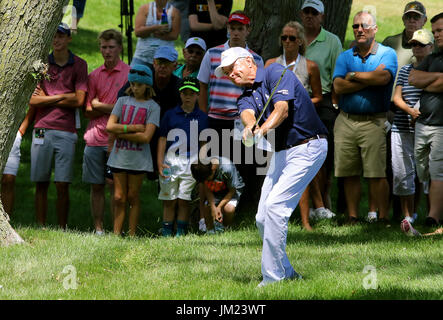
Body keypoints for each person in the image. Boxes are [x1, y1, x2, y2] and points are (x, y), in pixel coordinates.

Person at [216, 47, 328, 286]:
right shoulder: (244, 95)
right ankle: (285, 272)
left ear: (248, 61)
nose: (231, 76)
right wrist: (249, 127)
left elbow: (282, 110)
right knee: (262, 217)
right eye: (226, 73)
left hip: (308, 146)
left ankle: (272, 278)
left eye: (232, 69)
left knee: (276, 208)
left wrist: (261, 130)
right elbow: (247, 113)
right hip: (283, 153)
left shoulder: (274, 72)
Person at [332, 11, 398, 225]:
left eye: (364, 26)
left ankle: (383, 217)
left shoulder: (387, 54)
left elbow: (384, 77)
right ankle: (352, 216)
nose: (359, 30)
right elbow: (338, 86)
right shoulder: (345, 56)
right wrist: (368, 79)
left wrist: (353, 75)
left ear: (375, 29)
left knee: (376, 173)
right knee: (349, 172)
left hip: (374, 120)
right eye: (356, 26)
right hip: (346, 120)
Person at [197, 11, 263, 213]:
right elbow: (203, 86)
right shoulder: (212, 54)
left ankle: (239, 208)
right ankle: (208, 210)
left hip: (241, 120)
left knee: (244, 164)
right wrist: (203, 115)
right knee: (212, 166)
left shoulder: (256, 59)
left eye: (240, 29)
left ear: (247, 31)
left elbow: (257, 89)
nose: (235, 33)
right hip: (215, 118)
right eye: (232, 28)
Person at [264, 20, 327, 231]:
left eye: (292, 38)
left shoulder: (310, 66)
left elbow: (318, 96)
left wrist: (300, 103)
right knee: (276, 174)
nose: (287, 42)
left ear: (300, 41)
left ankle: (305, 221)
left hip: (301, 125)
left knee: (301, 175)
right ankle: (275, 217)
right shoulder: (271, 64)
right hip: (278, 125)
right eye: (284, 37)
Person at [29, 23, 88, 229]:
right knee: (41, 181)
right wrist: (66, 96)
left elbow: (79, 100)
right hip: (42, 128)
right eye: (53, 35)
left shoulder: (79, 64)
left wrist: (50, 97)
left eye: (61, 36)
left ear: (69, 38)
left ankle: (62, 228)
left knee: (63, 184)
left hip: (66, 130)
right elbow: (33, 101)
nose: (57, 40)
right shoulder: (41, 63)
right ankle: (41, 226)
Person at [382, 1, 427, 223]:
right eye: (408, 17)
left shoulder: (431, 48)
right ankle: (396, 213)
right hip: (394, 112)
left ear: (423, 21)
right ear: (403, 19)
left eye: (416, 17)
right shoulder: (391, 42)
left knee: (420, 168)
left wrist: (418, 111)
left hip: (424, 116)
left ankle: (416, 212)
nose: (412, 20)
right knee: (394, 166)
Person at [83, 29, 130, 235]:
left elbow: (128, 110)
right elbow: (87, 110)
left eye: (111, 47)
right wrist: (112, 107)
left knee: (116, 187)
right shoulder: (94, 76)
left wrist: (100, 105)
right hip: (94, 137)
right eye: (104, 47)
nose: (107, 51)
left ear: (119, 48)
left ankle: (116, 229)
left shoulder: (129, 73)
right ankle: (99, 228)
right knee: (96, 186)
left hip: (119, 139)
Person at [300, 0, 343, 217]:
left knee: (324, 154)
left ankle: (324, 202)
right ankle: (313, 205)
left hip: (324, 101)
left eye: (314, 13)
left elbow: (338, 75)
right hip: (298, 101)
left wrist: (334, 103)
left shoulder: (332, 41)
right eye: (306, 12)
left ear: (322, 17)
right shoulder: (294, 37)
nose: (309, 16)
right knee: (301, 152)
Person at [106, 64, 160, 236]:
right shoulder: (122, 101)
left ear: (147, 86)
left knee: (132, 196)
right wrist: (131, 128)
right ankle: (116, 233)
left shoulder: (153, 107)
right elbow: (110, 126)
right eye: (133, 84)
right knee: (118, 197)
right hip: (119, 156)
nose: (135, 88)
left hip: (139, 159)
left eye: (139, 85)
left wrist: (120, 133)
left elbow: (146, 137)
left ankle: (131, 234)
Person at [391, 28, 434, 225]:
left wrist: (422, 114)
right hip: (402, 127)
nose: (416, 48)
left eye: (421, 45)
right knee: (402, 173)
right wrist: (411, 112)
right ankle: (408, 216)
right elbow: (396, 98)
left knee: (429, 173)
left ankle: (432, 216)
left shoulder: (435, 71)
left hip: (428, 128)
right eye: (414, 44)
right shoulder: (405, 70)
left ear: (431, 48)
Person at [158, 77, 208, 236]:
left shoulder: (202, 117)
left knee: (183, 199)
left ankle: (181, 231)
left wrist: (202, 161)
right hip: (170, 161)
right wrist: (160, 162)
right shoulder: (170, 115)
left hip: (191, 163)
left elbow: (203, 142)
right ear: (180, 94)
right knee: (169, 199)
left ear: (197, 95)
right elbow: (162, 139)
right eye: (184, 93)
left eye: (191, 93)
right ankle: (166, 231)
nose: (188, 96)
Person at [409, 12, 443, 228]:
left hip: (441, 126)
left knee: (437, 169)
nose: (437, 35)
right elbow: (413, 78)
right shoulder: (432, 58)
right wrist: (438, 79)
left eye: (440, 30)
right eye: (435, 31)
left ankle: (433, 217)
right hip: (423, 124)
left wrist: (426, 83)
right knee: (423, 170)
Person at [191, 157, 244, 234]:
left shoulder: (227, 168)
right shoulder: (203, 168)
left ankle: (225, 228)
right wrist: (213, 207)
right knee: (207, 207)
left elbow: (232, 191)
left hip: (231, 191)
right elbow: (207, 188)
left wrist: (219, 207)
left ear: (213, 170)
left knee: (228, 209)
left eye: (208, 179)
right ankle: (210, 231)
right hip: (216, 190)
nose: (207, 181)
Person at [1, 107, 35, 217]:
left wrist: (21, 131)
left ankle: (6, 219)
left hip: (13, 135)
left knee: (9, 180)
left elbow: (34, 102)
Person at [132, 0, 181, 69]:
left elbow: (174, 35)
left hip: (165, 58)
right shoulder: (144, 8)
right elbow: (137, 32)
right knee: (134, 78)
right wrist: (156, 28)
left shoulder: (175, 12)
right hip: (142, 56)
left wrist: (152, 33)